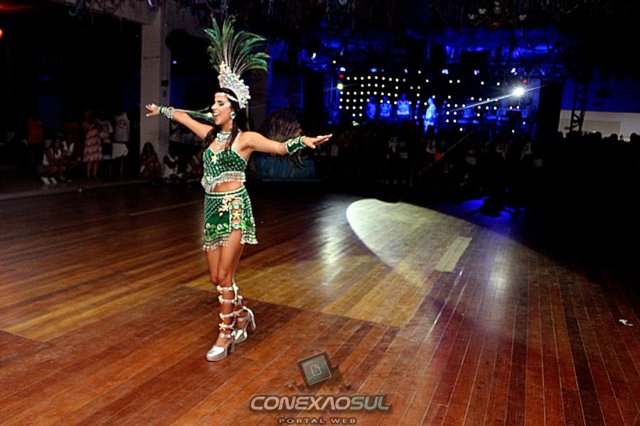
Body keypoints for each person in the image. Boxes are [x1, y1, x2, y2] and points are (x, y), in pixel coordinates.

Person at [144, 15, 331, 362]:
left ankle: (226, 335)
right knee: (215, 278)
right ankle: (242, 314)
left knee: (226, 274)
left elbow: (278, 147)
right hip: (210, 209)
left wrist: (303, 140)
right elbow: (185, 117)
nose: (214, 108)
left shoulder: (246, 139)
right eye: (213, 103)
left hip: (234, 209)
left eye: (219, 103)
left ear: (233, 109)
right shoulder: (210, 136)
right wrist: (163, 109)